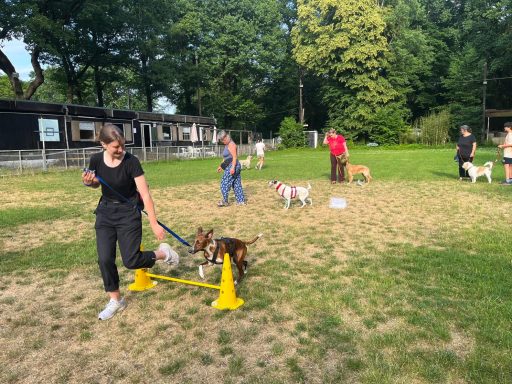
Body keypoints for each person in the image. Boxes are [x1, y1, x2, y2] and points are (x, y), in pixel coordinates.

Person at [81, 123, 178, 320]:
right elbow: (96, 183)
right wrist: (88, 182)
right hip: (106, 211)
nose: (121, 150)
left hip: (128, 212)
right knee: (105, 259)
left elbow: (145, 194)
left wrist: (154, 223)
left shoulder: (131, 161)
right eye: (116, 147)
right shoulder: (96, 160)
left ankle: (164, 253)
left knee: (131, 260)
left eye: (123, 145)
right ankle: (116, 300)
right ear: (103, 144)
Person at [217, 130, 246, 206]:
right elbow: (226, 158)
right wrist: (221, 166)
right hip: (231, 165)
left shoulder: (231, 144)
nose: (222, 142)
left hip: (233, 165)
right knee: (236, 183)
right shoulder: (227, 145)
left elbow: (234, 157)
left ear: (226, 137)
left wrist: (232, 168)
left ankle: (225, 201)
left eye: (223, 140)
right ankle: (241, 201)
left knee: (224, 183)